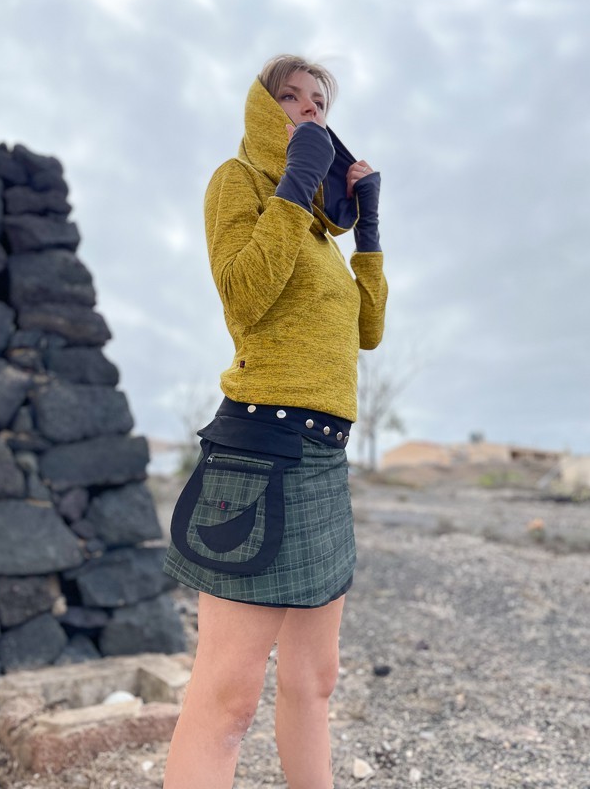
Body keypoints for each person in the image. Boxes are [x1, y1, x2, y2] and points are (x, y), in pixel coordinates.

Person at [162, 54, 388, 789]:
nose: (309, 109)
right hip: (259, 449)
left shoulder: (321, 233)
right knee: (229, 697)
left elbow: (368, 331)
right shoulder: (240, 182)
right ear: (263, 110)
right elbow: (243, 295)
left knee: (314, 680)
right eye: (290, 97)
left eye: (319, 101)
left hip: (324, 457)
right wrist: (294, 183)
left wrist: (367, 230)